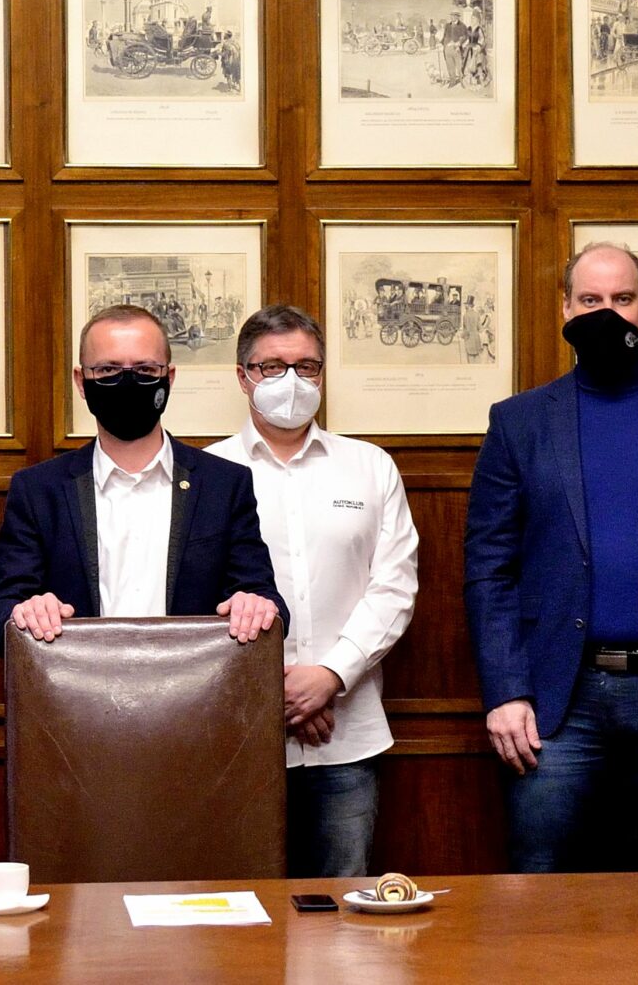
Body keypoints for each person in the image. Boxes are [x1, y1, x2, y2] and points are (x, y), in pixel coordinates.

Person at [466, 243, 638, 873]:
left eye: (623, 299)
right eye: (590, 300)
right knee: (540, 886)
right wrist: (506, 690)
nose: (608, 313)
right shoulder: (519, 422)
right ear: (565, 309)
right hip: (555, 704)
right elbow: (489, 569)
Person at [206, 306, 421, 879]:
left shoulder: (370, 466)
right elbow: (194, 598)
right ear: (243, 376)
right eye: (271, 367)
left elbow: (394, 586)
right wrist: (269, 693)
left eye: (306, 366)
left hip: (345, 733)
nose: (291, 381)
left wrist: (327, 677)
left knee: (341, 911)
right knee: (239, 911)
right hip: (236, 735)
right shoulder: (205, 473)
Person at [0, 304, 283, 649]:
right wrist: (25, 612)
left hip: (194, 681)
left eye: (145, 369)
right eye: (108, 369)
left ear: (169, 377)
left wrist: (255, 605)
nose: (127, 382)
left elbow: (267, 601)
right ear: (81, 382)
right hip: (77, 681)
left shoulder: (224, 484)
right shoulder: (38, 490)